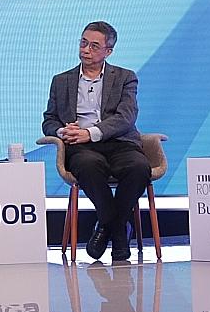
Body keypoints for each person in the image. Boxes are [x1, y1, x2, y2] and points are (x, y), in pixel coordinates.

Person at [42, 21, 148, 261]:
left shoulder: (125, 78)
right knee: (89, 166)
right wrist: (62, 132)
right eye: (83, 42)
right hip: (82, 148)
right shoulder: (61, 80)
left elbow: (126, 117)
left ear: (108, 51)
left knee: (139, 168)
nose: (85, 49)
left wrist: (91, 132)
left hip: (119, 141)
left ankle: (107, 224)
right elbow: (49, 120)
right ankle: (120, 233)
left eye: (93, 45)